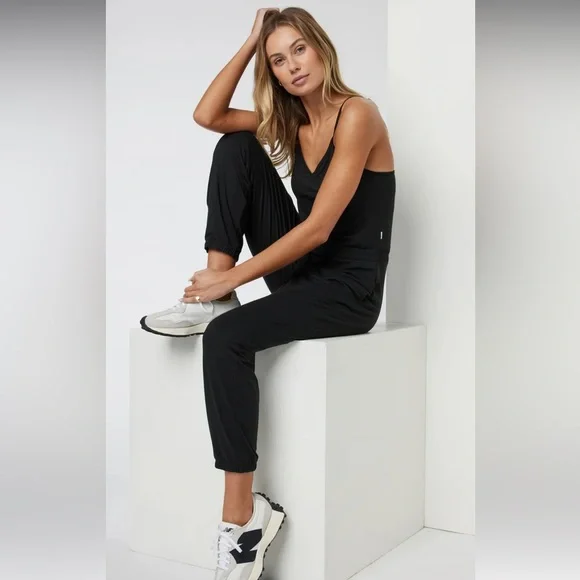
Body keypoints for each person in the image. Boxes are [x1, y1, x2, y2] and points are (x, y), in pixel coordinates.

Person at [140, 6, 396, 579]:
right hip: (304, 273)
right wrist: (251, 41)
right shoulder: (291, 123)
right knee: (234, 146)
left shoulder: (359, 114)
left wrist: (235, 276)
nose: (292, 66)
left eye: (298, 50)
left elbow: (320, 228)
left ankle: (242, 520)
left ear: (321, 48)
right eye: (278, 60)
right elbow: (208, 116)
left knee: (226, 340)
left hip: (349, 289)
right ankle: (212, 301)